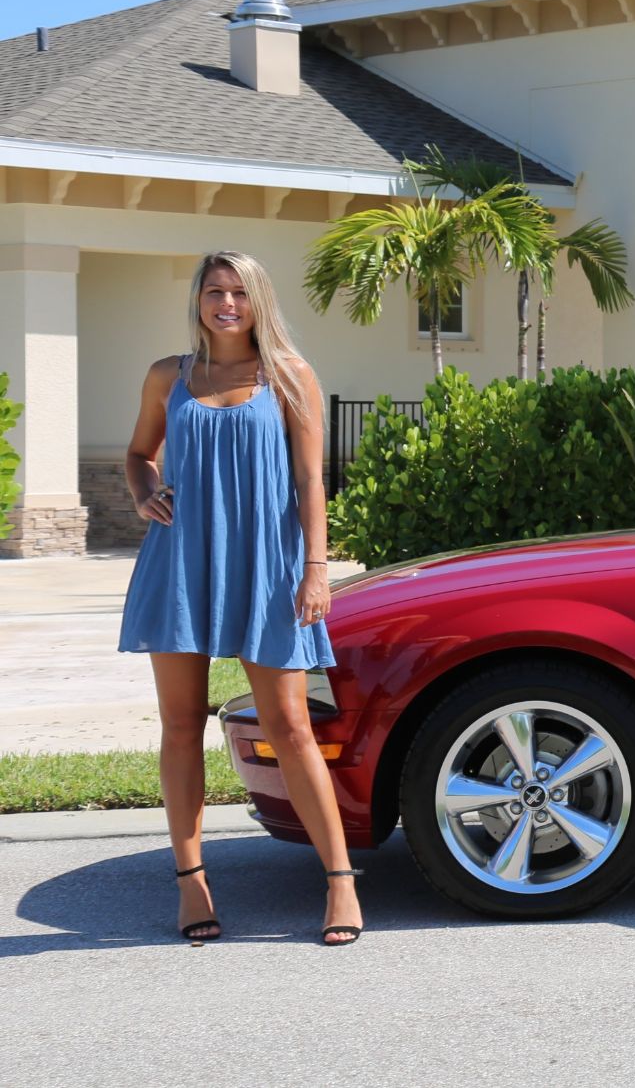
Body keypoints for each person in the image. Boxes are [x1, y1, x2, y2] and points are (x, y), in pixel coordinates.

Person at [116, 250, 364, 946]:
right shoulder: (169, 376)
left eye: (239, 291)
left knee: (289, 724)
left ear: (258, 300)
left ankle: (340, 881)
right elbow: (138, 453)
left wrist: (315, 569)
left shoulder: (289, 375)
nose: (226, 303)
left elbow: (311, 481)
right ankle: (191, 880)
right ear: (197, 299)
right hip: (182, 563)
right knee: (180, 721)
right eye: (214, 290)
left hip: (267, 564)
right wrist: (143, 492)